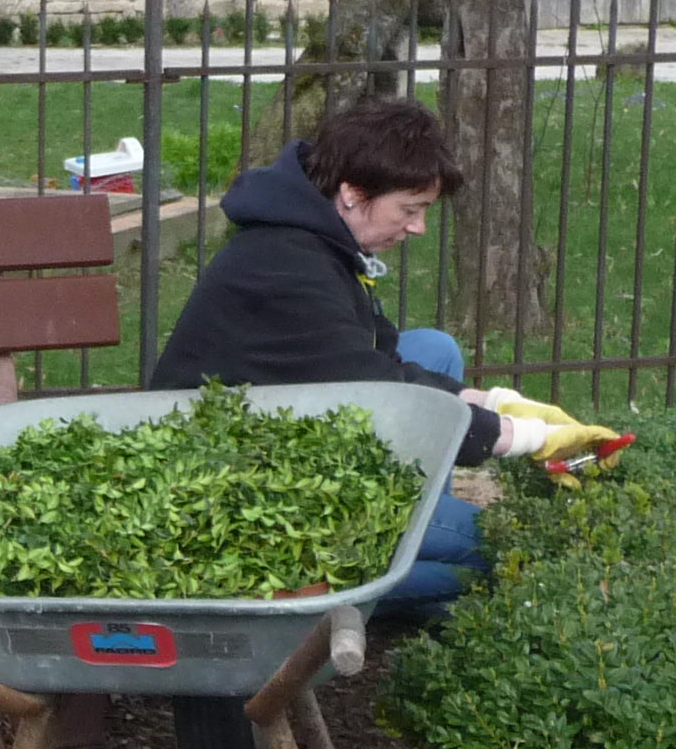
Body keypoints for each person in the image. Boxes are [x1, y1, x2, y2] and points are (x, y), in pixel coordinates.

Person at [152, 96, 558, 614]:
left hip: (283, 424)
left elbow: (381, 351)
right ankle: (334, 593)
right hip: (235, 481)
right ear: (351, 193)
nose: (418, 228)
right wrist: (524, 436)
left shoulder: (315, 235)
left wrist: (497, 401)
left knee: (433, 349)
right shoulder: (286, 265)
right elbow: (375, 388)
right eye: (409, 210)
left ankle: (403, 539)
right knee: (496, 546)